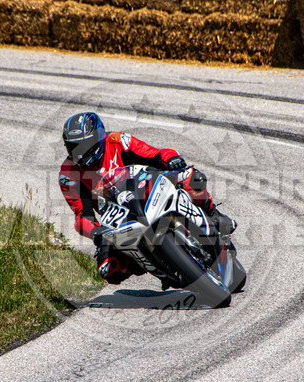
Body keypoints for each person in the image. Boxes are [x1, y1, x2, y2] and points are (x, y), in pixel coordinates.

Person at [58, 112, 236, 285]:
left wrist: (172, 159)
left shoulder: (118, 141)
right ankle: (158, 265)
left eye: (84, 145)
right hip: (119, 217)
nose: (80, 154)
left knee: (192, 178)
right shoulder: (68, 174)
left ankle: (212, 213)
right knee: (108, 269)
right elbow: (82, 215)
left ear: (98, 137)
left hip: (147, 189)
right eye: (74, 148)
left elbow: (153, 154)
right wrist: (95, 232)